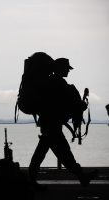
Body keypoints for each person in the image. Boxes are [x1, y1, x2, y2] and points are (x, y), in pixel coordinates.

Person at [28, 57, 98, 190]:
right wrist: (80, 106)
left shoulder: (53, 82)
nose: (68, 71)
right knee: (58, 153)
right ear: (60, 68)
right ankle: (81, 176)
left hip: (50, 124)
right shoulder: (57, 83)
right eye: (66, 68)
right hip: (51, 125)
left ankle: (81, 176)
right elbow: (66, 103)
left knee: (55, 153)